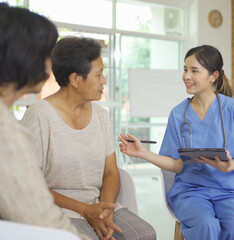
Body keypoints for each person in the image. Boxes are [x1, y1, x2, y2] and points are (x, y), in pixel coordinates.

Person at [119, 45, 234, 240]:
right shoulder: (179, 114)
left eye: (194, 71)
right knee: (206, 226)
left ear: (213, 75)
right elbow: (177, 164)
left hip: (231, 190)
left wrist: (230, 166)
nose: (186, 76)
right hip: (190, 191)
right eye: (185, 69)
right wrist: (144, 153)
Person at [21, 37, 156, 240]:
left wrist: (105, 210)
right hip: (56, 208)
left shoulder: (101, 115)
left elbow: (111, 172)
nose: (104, 81)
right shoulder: (40, 115)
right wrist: (85, 210)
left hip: (98, 205)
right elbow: (30, 184)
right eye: (99, 74)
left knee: (146, 234)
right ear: (75, 79)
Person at [0, 3, 90, 240]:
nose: (51, 65)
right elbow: (38, 217)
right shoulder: (7, 133)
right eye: (47, 55)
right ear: (24, 57)